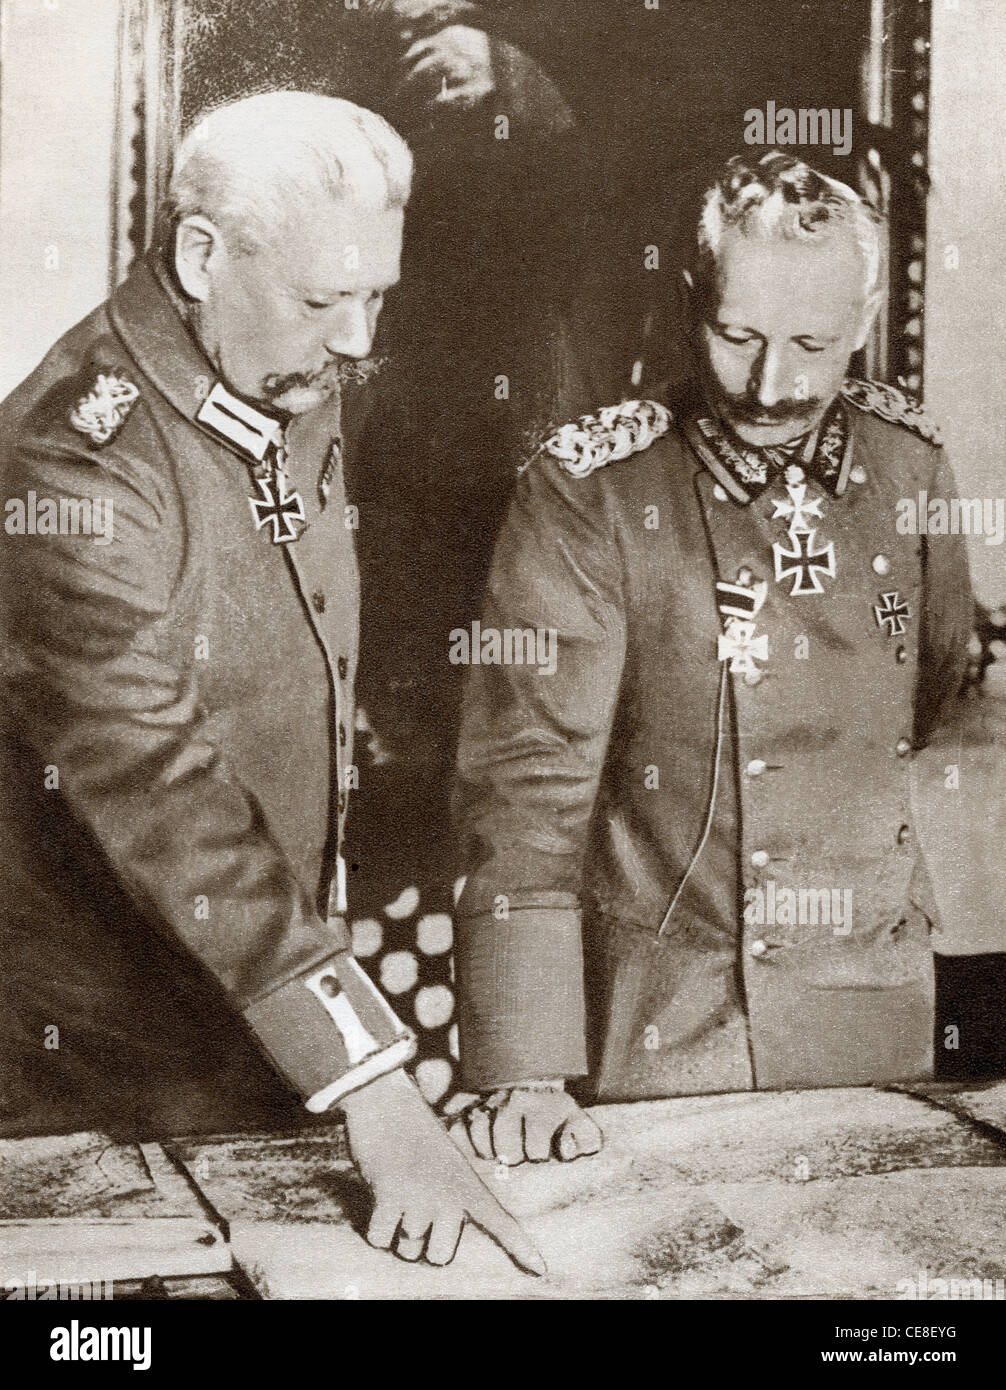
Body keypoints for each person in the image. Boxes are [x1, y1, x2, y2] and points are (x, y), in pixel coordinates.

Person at [0, 91, 542, 1272]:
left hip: (258, 1035)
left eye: (374, 296)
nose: (356, 341)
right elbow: (164, 791)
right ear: (201, 256)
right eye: (321, 301)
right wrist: (376, 1083)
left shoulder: (276, 358)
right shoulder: (69, 466)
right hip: (91, 1077)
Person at [451, 152, 974, 1165]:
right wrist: (524, 1062)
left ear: (864, 321)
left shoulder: (911, 462)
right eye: (736, 337)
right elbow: (526, 779)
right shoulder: (592, 487)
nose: (773, 386)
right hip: (667, 1019)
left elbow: (935, 684)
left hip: (874, 1004)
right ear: (686, 300)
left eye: (812, 344)